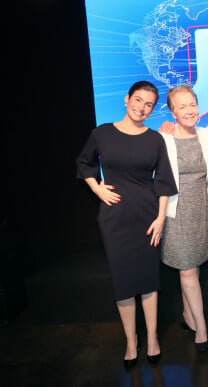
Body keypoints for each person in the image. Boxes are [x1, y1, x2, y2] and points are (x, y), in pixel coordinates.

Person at [76, 81, 177, 369]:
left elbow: (164, 181)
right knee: (123, 283)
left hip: (147, 217)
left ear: (152, 109)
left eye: (149, 104)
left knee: (148, 281)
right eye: (138, 100)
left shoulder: (155, 139)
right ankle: (132, 341)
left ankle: (153, 339)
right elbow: (85, 164)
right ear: (126, 99)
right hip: (115, 219)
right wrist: (97, 189)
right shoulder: (102, 133)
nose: (142, 107)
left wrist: (160, 218)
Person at [159, 85, 208, 353]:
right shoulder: (164, 138)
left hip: (200, 211)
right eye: (181, 106)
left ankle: (187, 313)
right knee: (187, 269)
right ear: (172, 112)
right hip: (174, 211)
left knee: (190, 266)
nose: (189, 110)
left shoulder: (207, 135)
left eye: (191, 104)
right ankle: (202, 329)